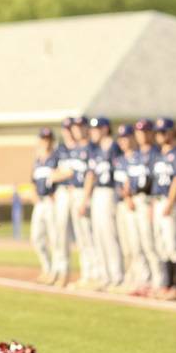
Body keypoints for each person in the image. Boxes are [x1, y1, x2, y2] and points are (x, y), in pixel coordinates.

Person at [151, 118, 176, 300]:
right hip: (158, 200)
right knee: (162, 245)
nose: (160, 135)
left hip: (171, 201)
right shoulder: (159, 154)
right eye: (158, 132)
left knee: (174, 244)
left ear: (172, 132)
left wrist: (171, 202)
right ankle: (167, 284)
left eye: (164, 132)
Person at [124, 118, 162, 296]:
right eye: (139, 132)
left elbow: (158, 181)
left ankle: (158, 281)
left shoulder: (156, 154)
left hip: (148, 201)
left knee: (150, 244)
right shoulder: (135, 156)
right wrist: (127, 196)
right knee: (136, 244)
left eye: (146, 131)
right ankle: (143, 281)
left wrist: (153, 204)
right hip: (134, 202)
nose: (142, 135)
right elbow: (128, 179)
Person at [87, 117, 123, 289]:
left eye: (96, 128)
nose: (93, 131)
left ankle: (116, 276)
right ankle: (105, 275)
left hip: (110, 193)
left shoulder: (114, 148)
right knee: (99, 235)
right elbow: (91, 174)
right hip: (97, 193)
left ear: (105, 129)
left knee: (110, 235)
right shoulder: (96, 150)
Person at [69, 116, 102, 287]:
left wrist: (85, 199)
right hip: (76, 192)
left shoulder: (92, 148)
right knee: (81, 238)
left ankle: (96, 274)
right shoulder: (75, 149)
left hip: (86, 193)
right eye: (75, 127)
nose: (77, 129)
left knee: (90, 236)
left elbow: (91, 174)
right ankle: (87, 273)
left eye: (81, 126)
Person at [29, 127, 58, 284]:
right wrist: (34, 197)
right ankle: (46, 268)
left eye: (48, 139)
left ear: (52, 141)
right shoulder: (38, 160)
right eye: (43, 139)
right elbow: (32, 182)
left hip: (52, 202)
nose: (45, 142)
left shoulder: (56, 157)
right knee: (36, 237)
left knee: (54, 238)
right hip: (40, 202)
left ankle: (55, 272)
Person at [114, 124, 140, 292]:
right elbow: (118, 183)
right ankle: (129, 278)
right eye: (121, 138)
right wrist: (124, 194)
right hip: (122, 203)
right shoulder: (120, 160)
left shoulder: (139, 157)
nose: (124, 141)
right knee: (125, 245)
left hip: (134, 203)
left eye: (127, 137)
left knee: (136, 243)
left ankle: (140, 279)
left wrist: (129, 196)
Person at [50, 118, 76, 287]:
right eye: (66, 128)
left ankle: (93, 273)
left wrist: (67, 173)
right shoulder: (60, 149)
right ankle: (62, 271)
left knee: (85, 236)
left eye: (71, 128)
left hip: (78, 194)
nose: (68, 131)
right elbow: (53, 175)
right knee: (60, 236)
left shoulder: (83, 148)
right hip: (63, 193)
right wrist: (68, 173)